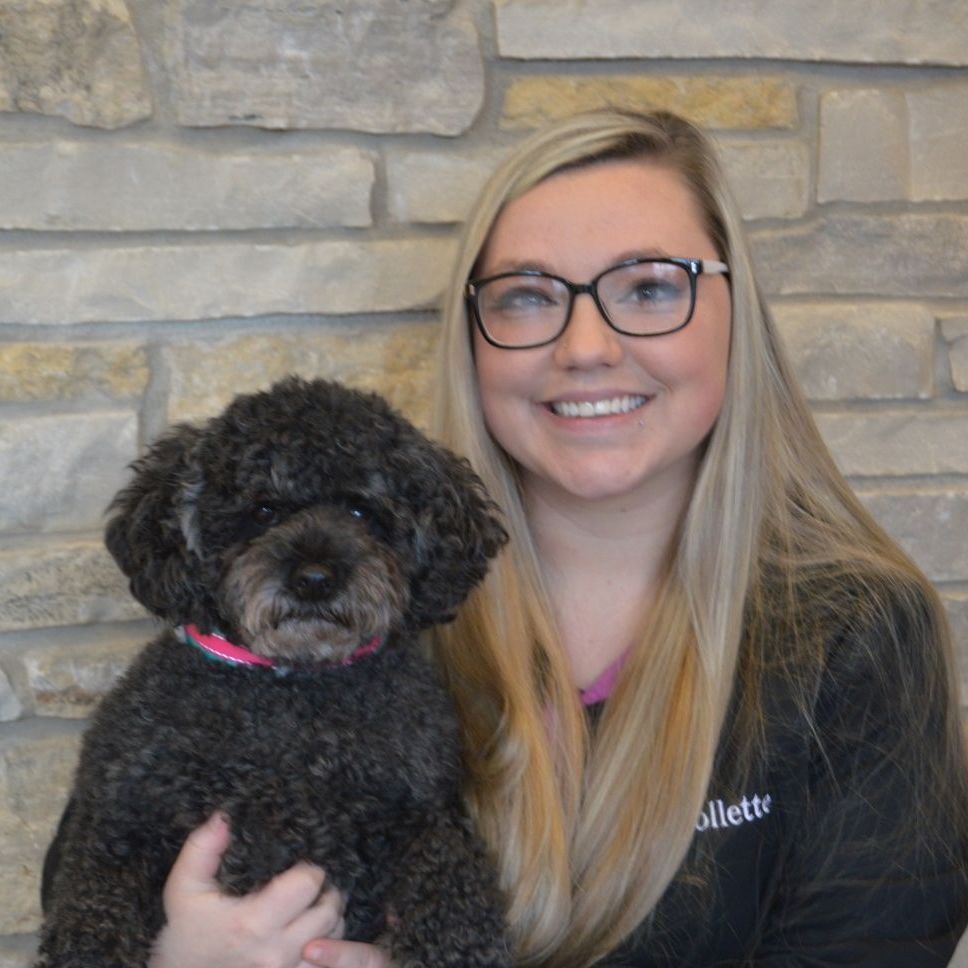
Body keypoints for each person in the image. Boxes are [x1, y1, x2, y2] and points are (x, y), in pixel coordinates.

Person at [148, 109, 968, 967]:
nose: (586, 347)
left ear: (737, 314)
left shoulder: (855, 629)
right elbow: (115, 868)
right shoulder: (339, 597)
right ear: (473, 341)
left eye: (649, 287)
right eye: (529, 296)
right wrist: (172, 954)